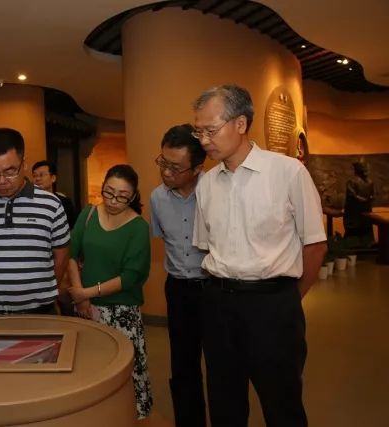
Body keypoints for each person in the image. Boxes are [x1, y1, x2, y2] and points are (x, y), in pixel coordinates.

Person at [191, 84, 327, 427]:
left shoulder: (288, 173)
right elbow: (206, 245)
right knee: (224, 403)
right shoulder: (206, 183)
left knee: (282, 404)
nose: (203, 140)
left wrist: (287, 298)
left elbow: (315, 245)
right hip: (219, 305)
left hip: (273, 307)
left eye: (210, 130)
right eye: (198, 131)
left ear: (240, 124)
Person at [67, 164, 153, 419]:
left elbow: (131, 277)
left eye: (122, 196)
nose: (114, 201)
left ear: (133, 196)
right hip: (85, 309)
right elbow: (71, 255)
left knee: (123, 374)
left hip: (122, 313)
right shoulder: (89, 214)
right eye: (108, 192)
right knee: (90, 370)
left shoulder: (138, 227)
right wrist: (79, 295)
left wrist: (87, 293)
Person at [0, 128, 70, 315]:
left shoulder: (51, 204)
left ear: (24, 164)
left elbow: (61, 257)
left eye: (10, 172)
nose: (1, 181)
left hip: (40, 313)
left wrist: (43, 291)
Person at [150, 124, 207, 427]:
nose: (166, 172)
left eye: (175, 167)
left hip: (215, 289)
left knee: (223, 364)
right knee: (183, 366)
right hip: (178, 290)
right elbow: (164, 240)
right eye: (163, 162)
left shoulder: (216, 193)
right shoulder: (157, 198)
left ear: (197, 168)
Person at [32, 160, 77, 227]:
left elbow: (72, 227)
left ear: (53, 178)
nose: (37, 179)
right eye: (34, 176)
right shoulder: (30, 201)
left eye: (41, 175)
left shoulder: (64, 202)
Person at [344, 160, 375, 247]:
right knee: (357, 232)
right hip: (359, 212)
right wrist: (365, 200)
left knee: (363, 231)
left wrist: (367, 199)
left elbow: (372, 194)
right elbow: (353, 195)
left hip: (361, 212)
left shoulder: (368, 182)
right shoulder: (353, 181)